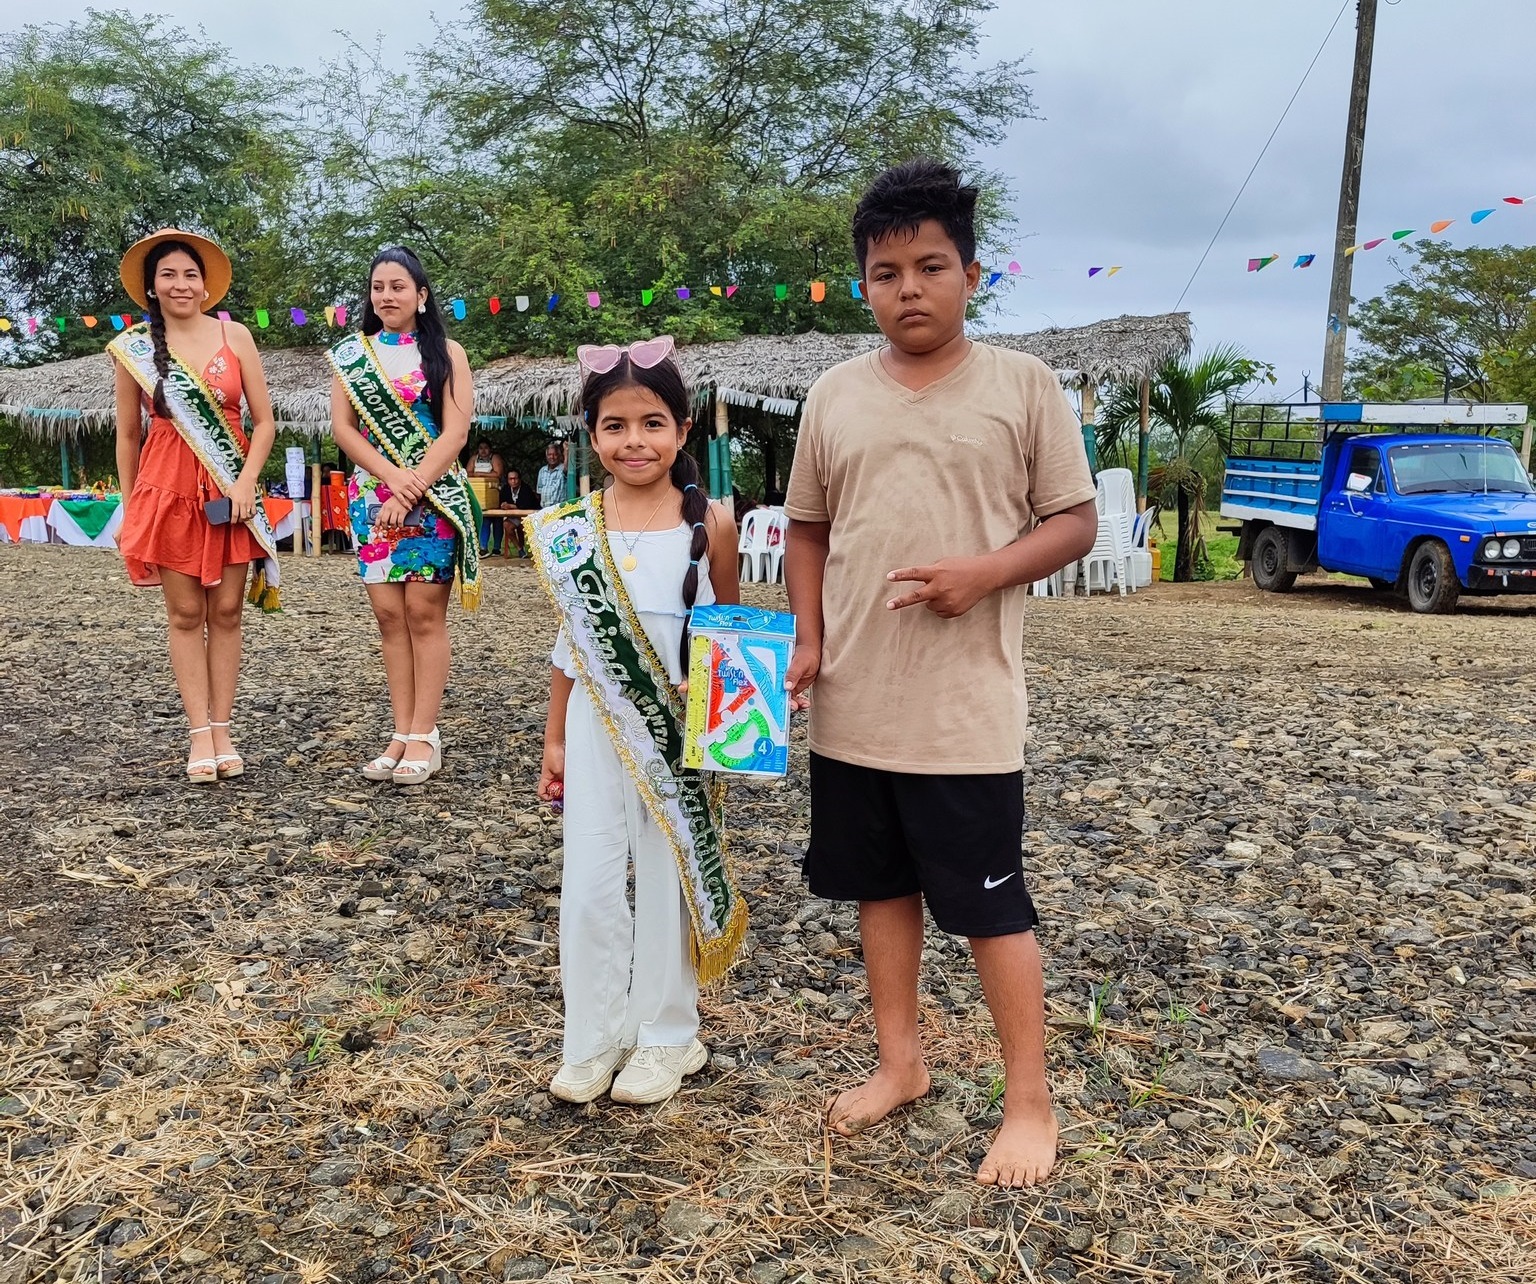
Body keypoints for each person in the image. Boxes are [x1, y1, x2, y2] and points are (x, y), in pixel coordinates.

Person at [783, 159, 1098, 1188]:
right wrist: (808, 636)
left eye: (929, 266)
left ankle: (1029, 1101)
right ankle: (900, 1063)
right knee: (879, 892)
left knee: (992, 908)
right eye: (886, 273)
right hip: (852, 703)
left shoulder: (1023, 386)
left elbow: (1075, 522)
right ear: (862, 286)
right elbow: (808, 528)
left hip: (966, 711)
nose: (908, 289)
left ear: (971, 274)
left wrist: (986, 572)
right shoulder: (834, 395)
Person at [529, 335, 744, 1106]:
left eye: (652, 423)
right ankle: (592, 1037)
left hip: (678, 730)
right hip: (594, 721)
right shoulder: (572, 528)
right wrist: (554, 736)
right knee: (588, 880)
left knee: (665, 879)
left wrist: (720, 706)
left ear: (682, 429)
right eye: (615, 426)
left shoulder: (712, 523)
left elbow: (730, 631)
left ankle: (666, 1036)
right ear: (592, 436)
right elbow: (571, 644)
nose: (634, 441)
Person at [109, 228, 282, 784]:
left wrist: (247, 482)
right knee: (185, 615)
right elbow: (128, 435)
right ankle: (199, 734)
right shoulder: (134, 350)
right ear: (151, 287)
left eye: (190, 274)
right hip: (166, 488)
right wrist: (131, 506)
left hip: (230, 488)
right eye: (168, 275)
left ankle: (224, 729)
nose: (180, 284)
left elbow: (264, 422)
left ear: (205, 285)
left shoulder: (236, 337)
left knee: (226, 612)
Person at [327, 245, 479, 786]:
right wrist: (391, 480)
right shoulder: (352, 355)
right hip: (373, 497)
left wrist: (410, 487)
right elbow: (343, 429)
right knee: (389, 618)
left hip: (433, 496)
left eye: (397, 286)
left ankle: (425, 734)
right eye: (378, 287)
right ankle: (400, 731)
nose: (386, 296)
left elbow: (455, 433)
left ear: (421, 295)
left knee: (423, 614)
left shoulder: (447, 353)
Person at [469, 438, 506, 554]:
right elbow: (467, 472)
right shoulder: (474, 459)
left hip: (494, 492)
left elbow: (498, 473)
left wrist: (479, 474)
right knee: (484, 519)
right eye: (481, 448)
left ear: (490, 449)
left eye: (486, 448)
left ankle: (496, 548)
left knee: (497, 520)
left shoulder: (494, 458)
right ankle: (483, 547)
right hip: (479, 494)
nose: (483, 451)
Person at [500, 468, 538, 557]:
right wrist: (503, 505)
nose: (513, 481)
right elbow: (501, 502)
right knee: (506, 525)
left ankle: (536, 551)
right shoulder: (505, 489)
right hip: (514, 516)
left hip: (528, 516)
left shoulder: (526, 489)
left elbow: (527, 505)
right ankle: (520, 549)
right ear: (507, 480)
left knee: (523, 525)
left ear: (519, 479)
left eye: (515, 478)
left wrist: (511, 506)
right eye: (511, 479)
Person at [536, 440, 568, 508]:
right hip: (544, 509)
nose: (552, 457)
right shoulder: (542, 471)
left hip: (559, 509)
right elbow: (539, 492)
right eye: (549, 455)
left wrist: (566, 451)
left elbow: (567, 468)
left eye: (555, 454)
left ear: (559, 456)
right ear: (546, 456)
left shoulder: (563, 468)